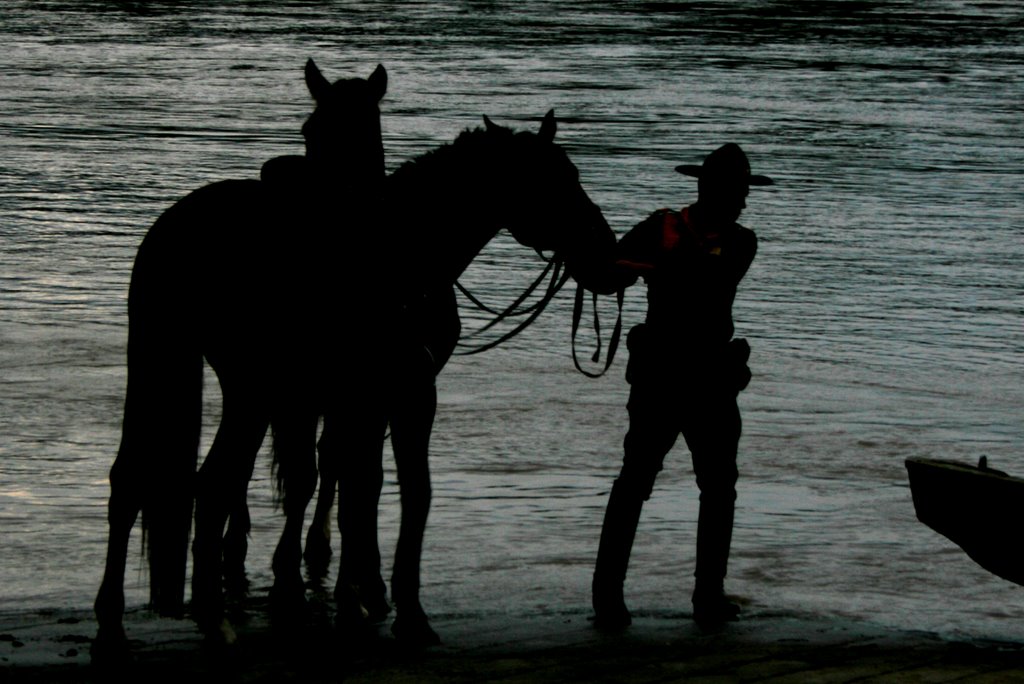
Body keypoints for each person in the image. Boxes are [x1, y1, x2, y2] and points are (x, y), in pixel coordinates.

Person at [591, 143, 772, 629]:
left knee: (718, 488)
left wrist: (661, 257)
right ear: (709, 190)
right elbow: (604, 273)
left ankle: (707, 597)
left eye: (742, 194)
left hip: (709, 381)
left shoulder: (740, 242)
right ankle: (608, 598)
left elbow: (703, 276)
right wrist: (622, 263)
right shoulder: (661, 228)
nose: (742, 203)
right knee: (636, 481)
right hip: (663, 379)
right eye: (737, 193)